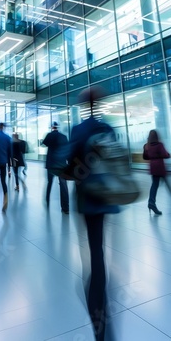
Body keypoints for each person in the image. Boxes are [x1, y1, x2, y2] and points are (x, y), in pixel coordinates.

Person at [67, 86, 119, 341]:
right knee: (99, 248)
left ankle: (97, 301)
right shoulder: (107, 129)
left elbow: (70, 166)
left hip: (87, 198)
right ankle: (100, 291)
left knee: (93, 249)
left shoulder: (80, 130)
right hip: (106, 196)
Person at [42, 122, 69, 213]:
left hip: (51, 164)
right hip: (61, 165)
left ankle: (47, 201)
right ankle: (65, 208)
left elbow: (44, 143)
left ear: (52, 127)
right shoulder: (64, 137)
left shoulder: (49, 135)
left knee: (49, 182)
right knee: (63, 185)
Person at [143, 129, 170, 215]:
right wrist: (168, 155)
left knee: (154, 185)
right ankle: (151, 203)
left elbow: (145, 157)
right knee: (167, 185)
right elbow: (165, 155)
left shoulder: (147, 146)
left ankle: (151, 203)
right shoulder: (159, 145)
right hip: (160, 167)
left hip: (153, 167)